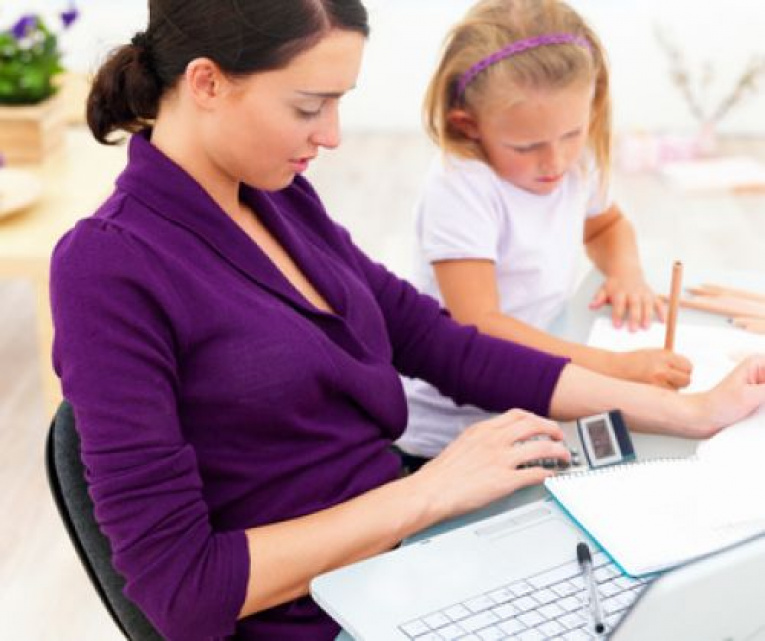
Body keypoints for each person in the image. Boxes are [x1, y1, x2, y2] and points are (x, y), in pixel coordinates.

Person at [49, 1, 765, 639]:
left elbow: (439, 342)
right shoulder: (108, 267)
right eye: (308, 106)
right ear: (206, 83)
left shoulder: (277, 198)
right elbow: (182, 593)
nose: (332, 134)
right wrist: (429, 491)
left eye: (339, 103)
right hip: (323, 613)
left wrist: (690, 411)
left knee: (705, 589)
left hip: (416, 557)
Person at [398, 0, 694, 468]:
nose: (555, 162)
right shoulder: (461, 186)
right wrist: (615, 370)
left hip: (538, 398)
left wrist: (626, 272)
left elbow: (607, 224)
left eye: (573, 134)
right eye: (527, 146)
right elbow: (480, 326)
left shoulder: (576, 157)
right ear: (468, 125)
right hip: (454, 430)